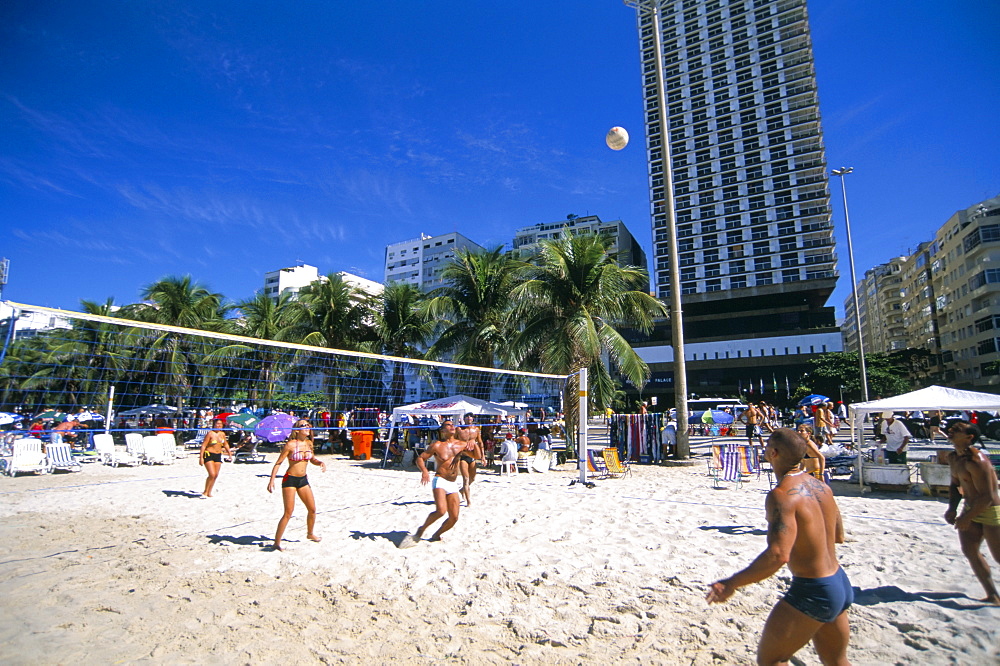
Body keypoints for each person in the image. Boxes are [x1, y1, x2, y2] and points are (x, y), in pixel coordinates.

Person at [707, 428, 850, 665]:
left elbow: (778, 555)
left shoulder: (781, 495)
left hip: (814, 590)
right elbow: (838, 535)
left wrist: (731, 583)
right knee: (836, 662)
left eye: (766, 447)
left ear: (773, 453)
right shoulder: (821, 487)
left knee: (772, 660)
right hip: (839, 582)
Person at [944, 421, 1000, 604]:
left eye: (957, 430)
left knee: (999, 556)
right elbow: (955, 484)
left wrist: (965, 518)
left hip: (990, 510)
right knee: (970, 551)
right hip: (969, 506)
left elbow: (988, 496)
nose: (951, 430)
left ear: (969, 438)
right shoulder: (953, 457)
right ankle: (993, 595)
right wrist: (952, 508)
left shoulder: (977, 461)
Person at [401, 420, 470, 546]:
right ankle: (421, 529)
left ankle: (437, 534)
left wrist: (472, 442)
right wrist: (425, 471)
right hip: (440, 480)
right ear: (442, 430)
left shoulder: (461, 444)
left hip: (453, 483)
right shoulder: (437, 445)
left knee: (454, 518)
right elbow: (420, 458)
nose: (452, 426)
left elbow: (476, 454)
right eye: (448, 425)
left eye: (452, 424)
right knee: (441, 511)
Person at [267, 419, 326, 550]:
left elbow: (312, 459)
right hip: (290, 480)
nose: (307, 427)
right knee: (288, 512)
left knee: (312, 509)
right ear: (297, 430)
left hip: (303, 480)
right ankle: (277, 542)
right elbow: (278, 463)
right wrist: (271, 480)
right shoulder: (291, 445)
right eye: (303, 425)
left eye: (308, 425)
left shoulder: (309, 443)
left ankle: (310, 534)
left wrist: (320, 462)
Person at [455, 413, 486, 506]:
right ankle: (468, 501)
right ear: (464, 418)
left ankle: (461, 490)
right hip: (463, 456)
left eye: (470, 417)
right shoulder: (459, 429)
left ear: (473, 419)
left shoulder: (476, 429)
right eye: (467, 417)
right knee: (466, 478)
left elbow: (480, 443)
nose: (469, 418)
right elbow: (453, 442)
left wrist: (483, 457)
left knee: (473, 478)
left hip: (473, 456)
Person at [198, 419, 232, 498]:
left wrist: (229, 453)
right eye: (217, 424)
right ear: (214, 425)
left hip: (218, 455)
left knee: (215, 475)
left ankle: (209, 492)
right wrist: (201, 458)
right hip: (209, 454)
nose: (219, 425)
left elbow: (225, 444)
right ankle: (205, 492)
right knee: (212, 474)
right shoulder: (210, 434)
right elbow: (203, 446)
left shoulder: (222, 434)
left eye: (220, 424)